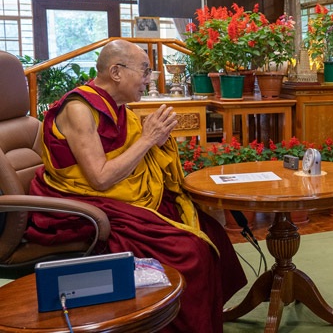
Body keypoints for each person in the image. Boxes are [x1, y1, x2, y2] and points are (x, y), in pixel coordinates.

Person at [25, 40, 247, 333]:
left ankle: (204, 318)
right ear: (116, 72)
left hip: (117, 195)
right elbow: (100, 178)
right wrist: (147, 139)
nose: (148, 80)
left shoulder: (118, 108)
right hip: (84, 204)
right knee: (190, 251)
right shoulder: (80, 109)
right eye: (144, 71)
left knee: (209, 229)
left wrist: (154, 139)